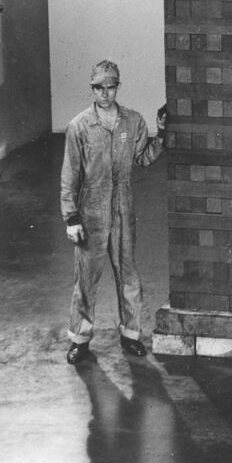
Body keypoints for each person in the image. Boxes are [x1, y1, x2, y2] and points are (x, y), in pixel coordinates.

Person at [61, 60, 167, 365]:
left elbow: (144, 159)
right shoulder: (79, 126)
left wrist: (160, 134)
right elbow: (70, 175)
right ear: (92, 89)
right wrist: (71, 217)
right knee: (86, 279)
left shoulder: (132, 121)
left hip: (123, 209)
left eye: (111, 87)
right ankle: (80, 339)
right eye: (99, 88)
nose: (106, 94)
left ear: (117, 87)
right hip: (91, 213)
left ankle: (131, 334)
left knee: (128, 274)